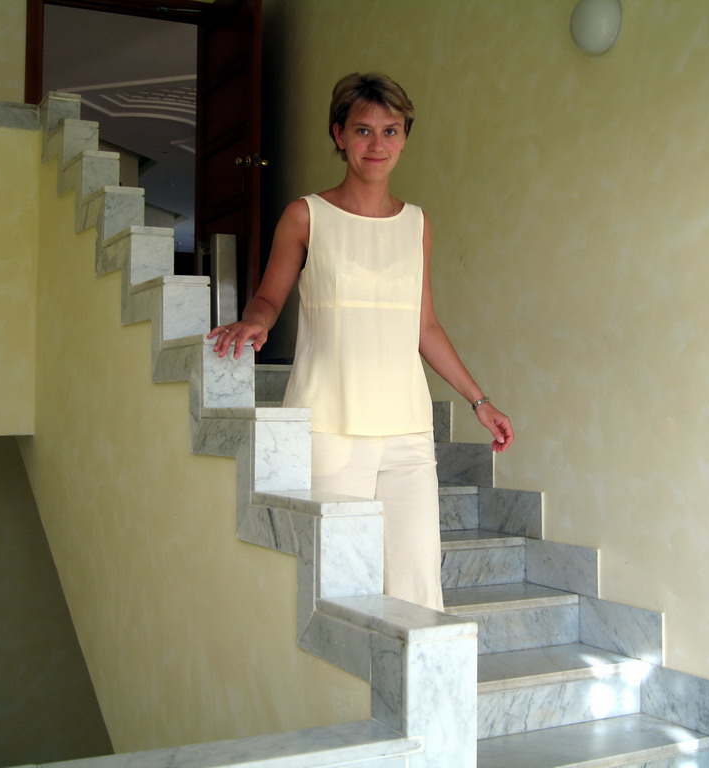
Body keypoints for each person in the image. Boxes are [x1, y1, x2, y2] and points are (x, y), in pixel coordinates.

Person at [207, 72, 513, 611]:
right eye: (363, 130)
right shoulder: (306, 215)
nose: (377, 144)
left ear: (405, 138)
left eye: (390, 130)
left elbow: (424, 326)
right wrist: (254, 321)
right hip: (330, 424)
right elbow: (269, 297)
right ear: (339, 135)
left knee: (418, 587)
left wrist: (479, 401)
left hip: (407, 432)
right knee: (338, 583)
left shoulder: (417, 224)